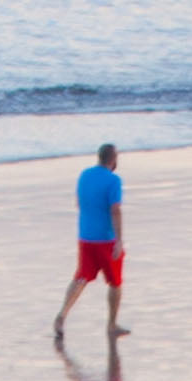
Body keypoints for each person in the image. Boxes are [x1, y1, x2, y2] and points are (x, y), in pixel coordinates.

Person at [56, 140, 126, 334]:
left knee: (81, 277)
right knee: (115, 282)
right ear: (114, 159)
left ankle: (62, 314)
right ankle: (112, 324)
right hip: (106, 238)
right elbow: (115, 210)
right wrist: (119, 239)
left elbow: (79, 203)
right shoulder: (114, 181)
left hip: (86, 236)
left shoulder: (84, 175)